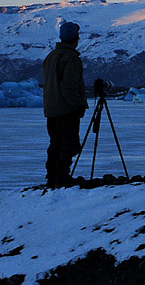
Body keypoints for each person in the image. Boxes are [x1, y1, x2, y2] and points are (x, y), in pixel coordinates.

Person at [43, 21, 88, 188]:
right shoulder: (70, 58)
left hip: (51, 109)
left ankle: (52, 177)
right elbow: (69, 85)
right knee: (69, 143)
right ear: (76, 38)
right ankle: (62, 178)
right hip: (66, 109)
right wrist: (78, 105)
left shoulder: (51, 56)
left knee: (56, 143)